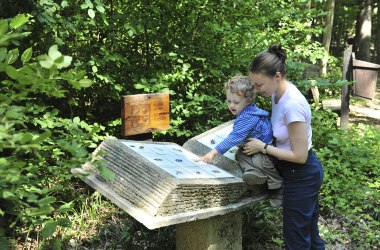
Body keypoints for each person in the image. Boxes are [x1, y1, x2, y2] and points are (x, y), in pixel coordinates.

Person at [244, 44, 325, 249]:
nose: (256, 89)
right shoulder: (275, 95)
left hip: (302, 174)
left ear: (277, 76)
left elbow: (300, 156)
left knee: (296, 238)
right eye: (253, 84)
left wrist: (263, 147)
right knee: (308, 232)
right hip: (292, 171)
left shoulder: (292, 105)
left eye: (259, 84)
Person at [199, 75, 283, 207]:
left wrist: (212, 153)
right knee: (240, 154)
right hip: (254, 146)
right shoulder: (246, 111)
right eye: (229, 101)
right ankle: (253, 173)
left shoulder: (248, 117)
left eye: (236, 102)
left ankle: (278, 188)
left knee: (259, 161)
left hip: (267, 150)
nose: (231, 105)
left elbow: (234, 137)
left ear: (248, 100)